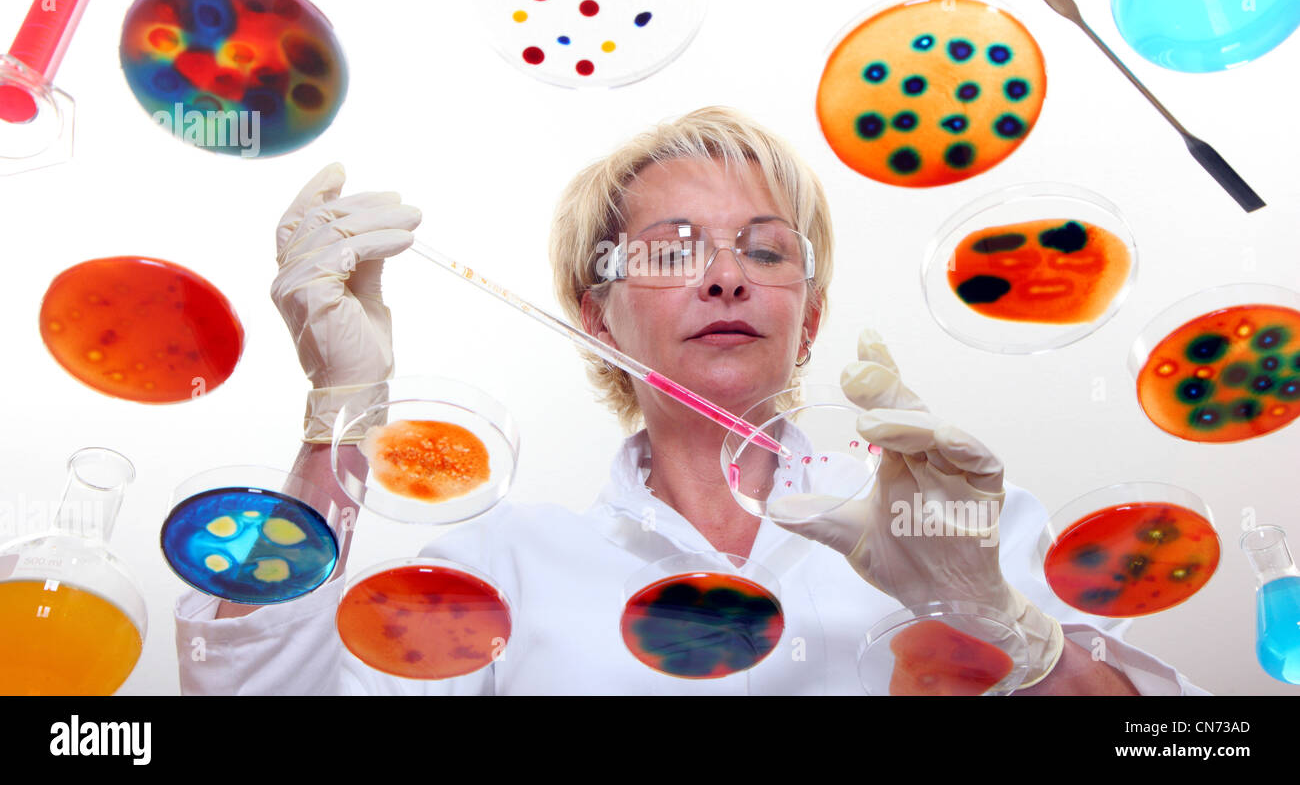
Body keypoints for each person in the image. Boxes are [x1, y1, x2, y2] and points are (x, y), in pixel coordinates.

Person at [174, 107, 1204, 694]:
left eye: (765, 249)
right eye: (671, 252)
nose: (724, 277)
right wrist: (343, 410)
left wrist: (1005, 619)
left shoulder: (963, 522)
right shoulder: (499, 565)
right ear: (598, 314)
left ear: (807, 317)